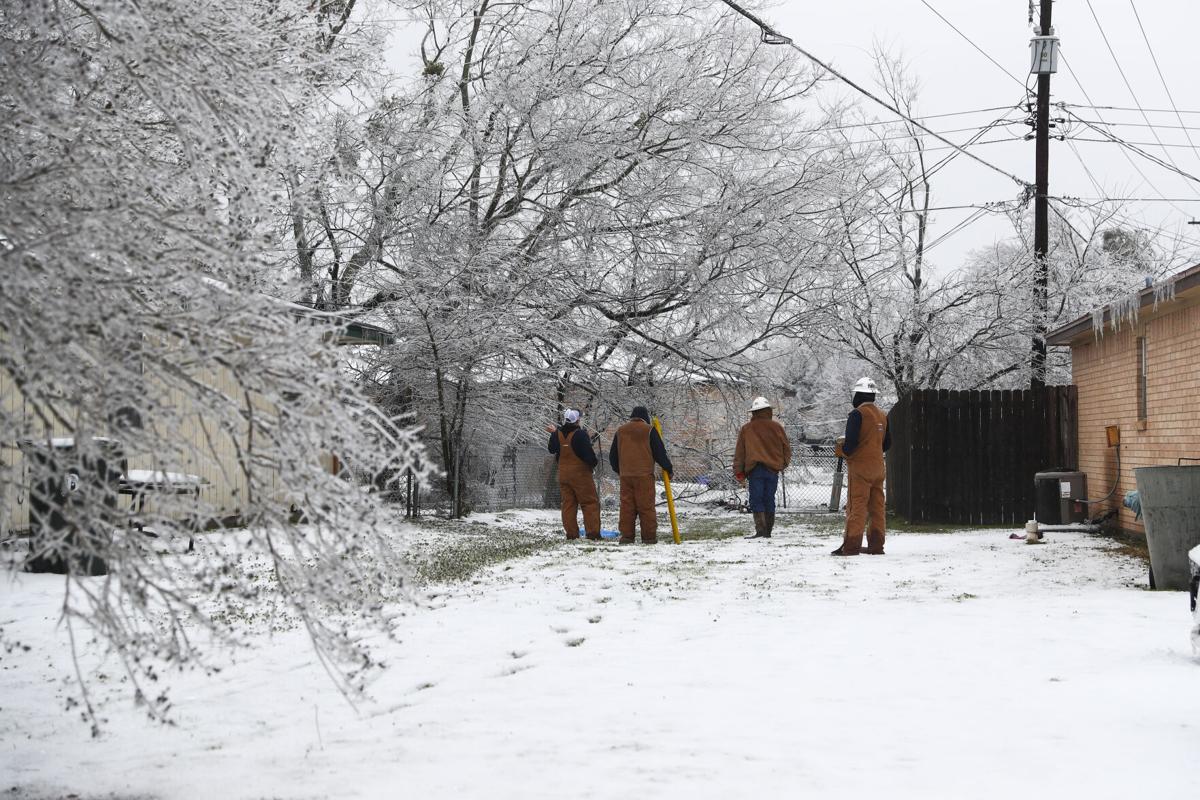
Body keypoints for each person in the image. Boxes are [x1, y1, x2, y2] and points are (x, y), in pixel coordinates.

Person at [833, 377, 891, 556]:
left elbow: (850, 446)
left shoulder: (857, 414)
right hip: (878, 469)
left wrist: (840, 448)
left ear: (858, 394)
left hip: (860, 470)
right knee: (877, 508)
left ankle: (850, 547)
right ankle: (876, 546)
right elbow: (887, 444)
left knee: (856, 507)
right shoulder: (882, 415)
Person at [608, 406, 673, 545]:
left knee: (627, 507)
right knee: (646, 507)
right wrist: (668, 468)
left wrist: (620, 471)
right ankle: (649, 538)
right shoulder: (649, 430)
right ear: (645, 418)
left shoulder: (620, 431)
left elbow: (612, 456)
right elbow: (660, 453)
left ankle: (626, 537)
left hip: (626, 476)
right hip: (644, 476)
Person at [733, 396, 792, 539]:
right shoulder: (777, 427)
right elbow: (787, 450)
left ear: (754, 412)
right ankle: (768, 532)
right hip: (773, 470)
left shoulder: (747, 429)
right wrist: (781, 465)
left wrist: (739, 472)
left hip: (755, 470)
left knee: (756, 499)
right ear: (768, 411)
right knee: (769, 499)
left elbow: (740, 452)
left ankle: (760, 530)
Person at [547, 408, 602, 541]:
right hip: (580, 475)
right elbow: (588, 455)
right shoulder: (580, 434)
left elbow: (551, 449)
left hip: (564, 475)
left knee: (568, 505)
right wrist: (593, 464)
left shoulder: (557, 433)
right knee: (589, 503)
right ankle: (593, 534)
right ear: (577, 420)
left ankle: (571, 535)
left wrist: (554, 434)